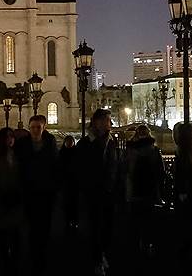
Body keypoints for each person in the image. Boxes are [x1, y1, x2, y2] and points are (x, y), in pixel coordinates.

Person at [77, 108, 122, 276]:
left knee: (107, 227)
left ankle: (102, 253)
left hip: (109, 192)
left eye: (109, 121)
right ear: (96, 122)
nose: (108, 124)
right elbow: (81, 168)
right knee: (95, 227)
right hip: (93, 192)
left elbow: (115, 165)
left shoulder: (111, 142)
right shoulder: (86, 143)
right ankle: (97, 259)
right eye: (105, 121)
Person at [14, 115, 58, 272]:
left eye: (38, 127)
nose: (35, 130)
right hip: (29, 190)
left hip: (46, 191)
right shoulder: (23, 144)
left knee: (44, 224)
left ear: (43, 127)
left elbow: (55, 165)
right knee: (32, 224)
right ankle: (34, 253)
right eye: (32, 127)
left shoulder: (51, 142)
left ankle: (42, 252)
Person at [0, 127, 23, 274]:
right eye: (6, 137)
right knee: (3, 231)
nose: (10, 140)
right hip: (2, 198)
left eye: (11, 137)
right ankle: (5, 260)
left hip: (15, 198)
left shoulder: (17, 155)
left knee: (15, 232)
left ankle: (14, 260)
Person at [125, 124, 163, 255]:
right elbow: (160, 171)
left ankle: (136, 245)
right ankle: (147, 244)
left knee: (135, 218)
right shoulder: (154, 150)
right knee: (148, 219)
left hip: (134, 188)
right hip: (149, 188)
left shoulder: (130, 149)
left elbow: (125, 168)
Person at [174, 123, 192, 262]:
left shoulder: (183, 152)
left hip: (185, 193)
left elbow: (182, 174)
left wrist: (182, 192)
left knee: (186, 220)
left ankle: (188, 249)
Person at [58, 135, 79, 232]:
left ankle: (73, 221)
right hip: (66, 182)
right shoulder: (62, 153)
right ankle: (68, 221)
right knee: (67, 203)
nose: (69, 143)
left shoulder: (74, 152)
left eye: (70, 142)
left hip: (73, 182)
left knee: (73, 203)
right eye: (68, 142)